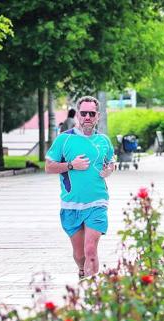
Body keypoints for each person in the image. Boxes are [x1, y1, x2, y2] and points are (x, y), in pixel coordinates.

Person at [45, 96, 115, 279]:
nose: (87, 117)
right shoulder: (64, 139)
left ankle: (92, 293)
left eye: (92, 114)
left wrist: (109, 169)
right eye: (84, 113)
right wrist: (71, 165)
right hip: (71, 205)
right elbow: (48, 167)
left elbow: (110, 162)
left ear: (98, 116)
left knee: (90, 250)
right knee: (80, 255)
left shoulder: (104, 140)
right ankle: (82, 270)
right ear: (78, 115)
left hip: (97, 202)